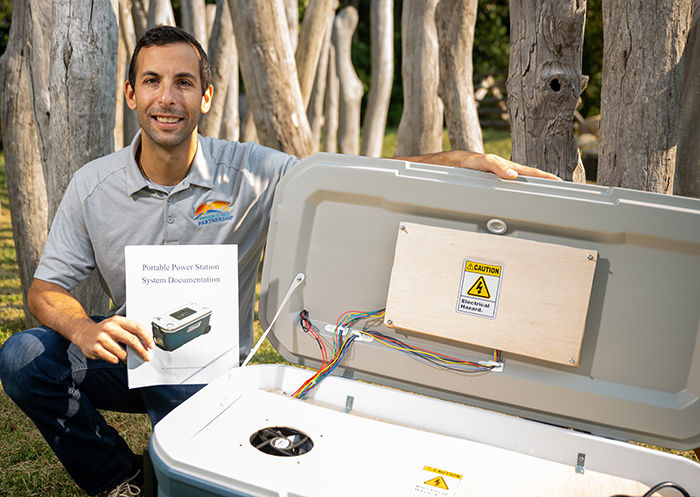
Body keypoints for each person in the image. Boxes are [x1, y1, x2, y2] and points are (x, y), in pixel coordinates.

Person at [0, 26, 558, 497]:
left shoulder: (251, 171)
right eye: (152, 81)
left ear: (207, 97)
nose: (167, 98)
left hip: (214, 372)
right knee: (24, 355)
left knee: (196, 480)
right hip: (134, 354)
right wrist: (82, 326)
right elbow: (46, 286)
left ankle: (189, 461)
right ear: (130, 94)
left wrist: (459, 161)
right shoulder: (93, 186)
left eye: (184, 83)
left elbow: (346, 180)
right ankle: (120, 481)